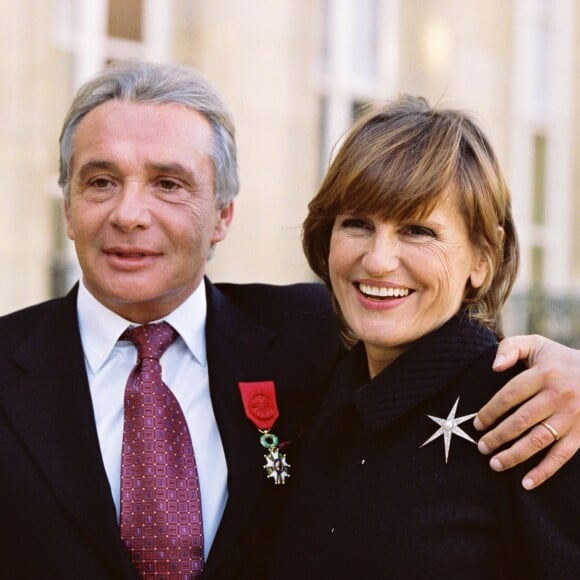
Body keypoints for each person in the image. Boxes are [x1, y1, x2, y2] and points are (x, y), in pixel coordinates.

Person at [0, 60, 577, 579]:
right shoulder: (346, 364)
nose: (129, 214)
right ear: (68, 206)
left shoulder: (516, 412)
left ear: (223, 214)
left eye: (169, 184)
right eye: (100, 182)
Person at [271, 96, 580, 578]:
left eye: (417, 231)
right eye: (357, 224)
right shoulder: (313, 368)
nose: (378, 259)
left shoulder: (533, 411)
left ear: (483, 258)